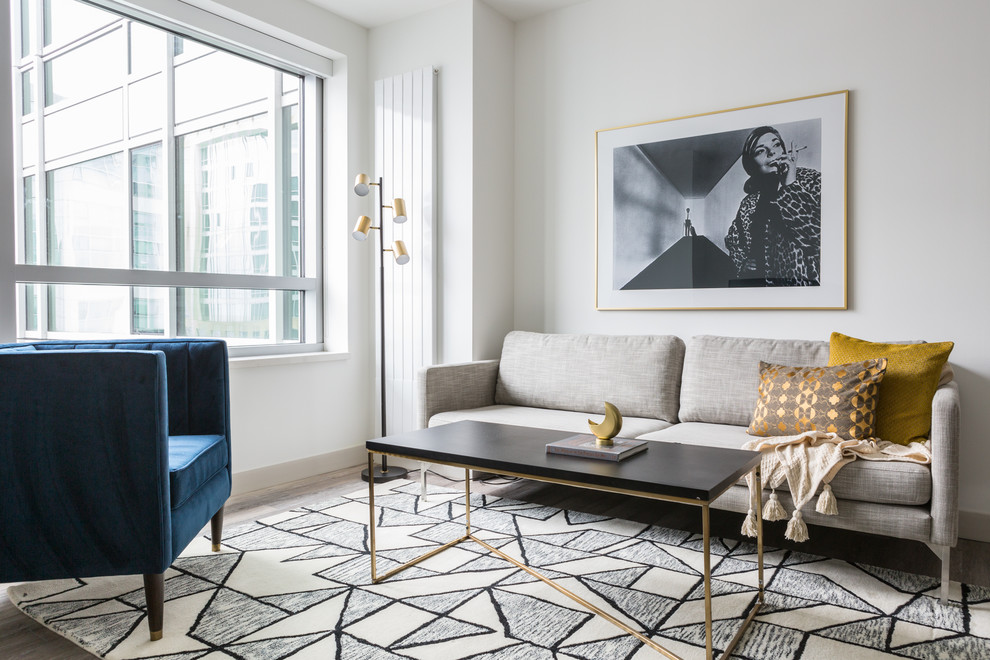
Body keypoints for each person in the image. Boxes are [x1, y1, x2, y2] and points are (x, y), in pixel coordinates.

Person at [724, 126, 821, 286]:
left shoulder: (812, 181)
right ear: (752, 163)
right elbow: (733, 241)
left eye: (776, 145)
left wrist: (790, 184)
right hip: (761, 292)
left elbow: (817, 236)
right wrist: (742, 262)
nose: (771, 153)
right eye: (760, 151)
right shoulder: (749, 202)